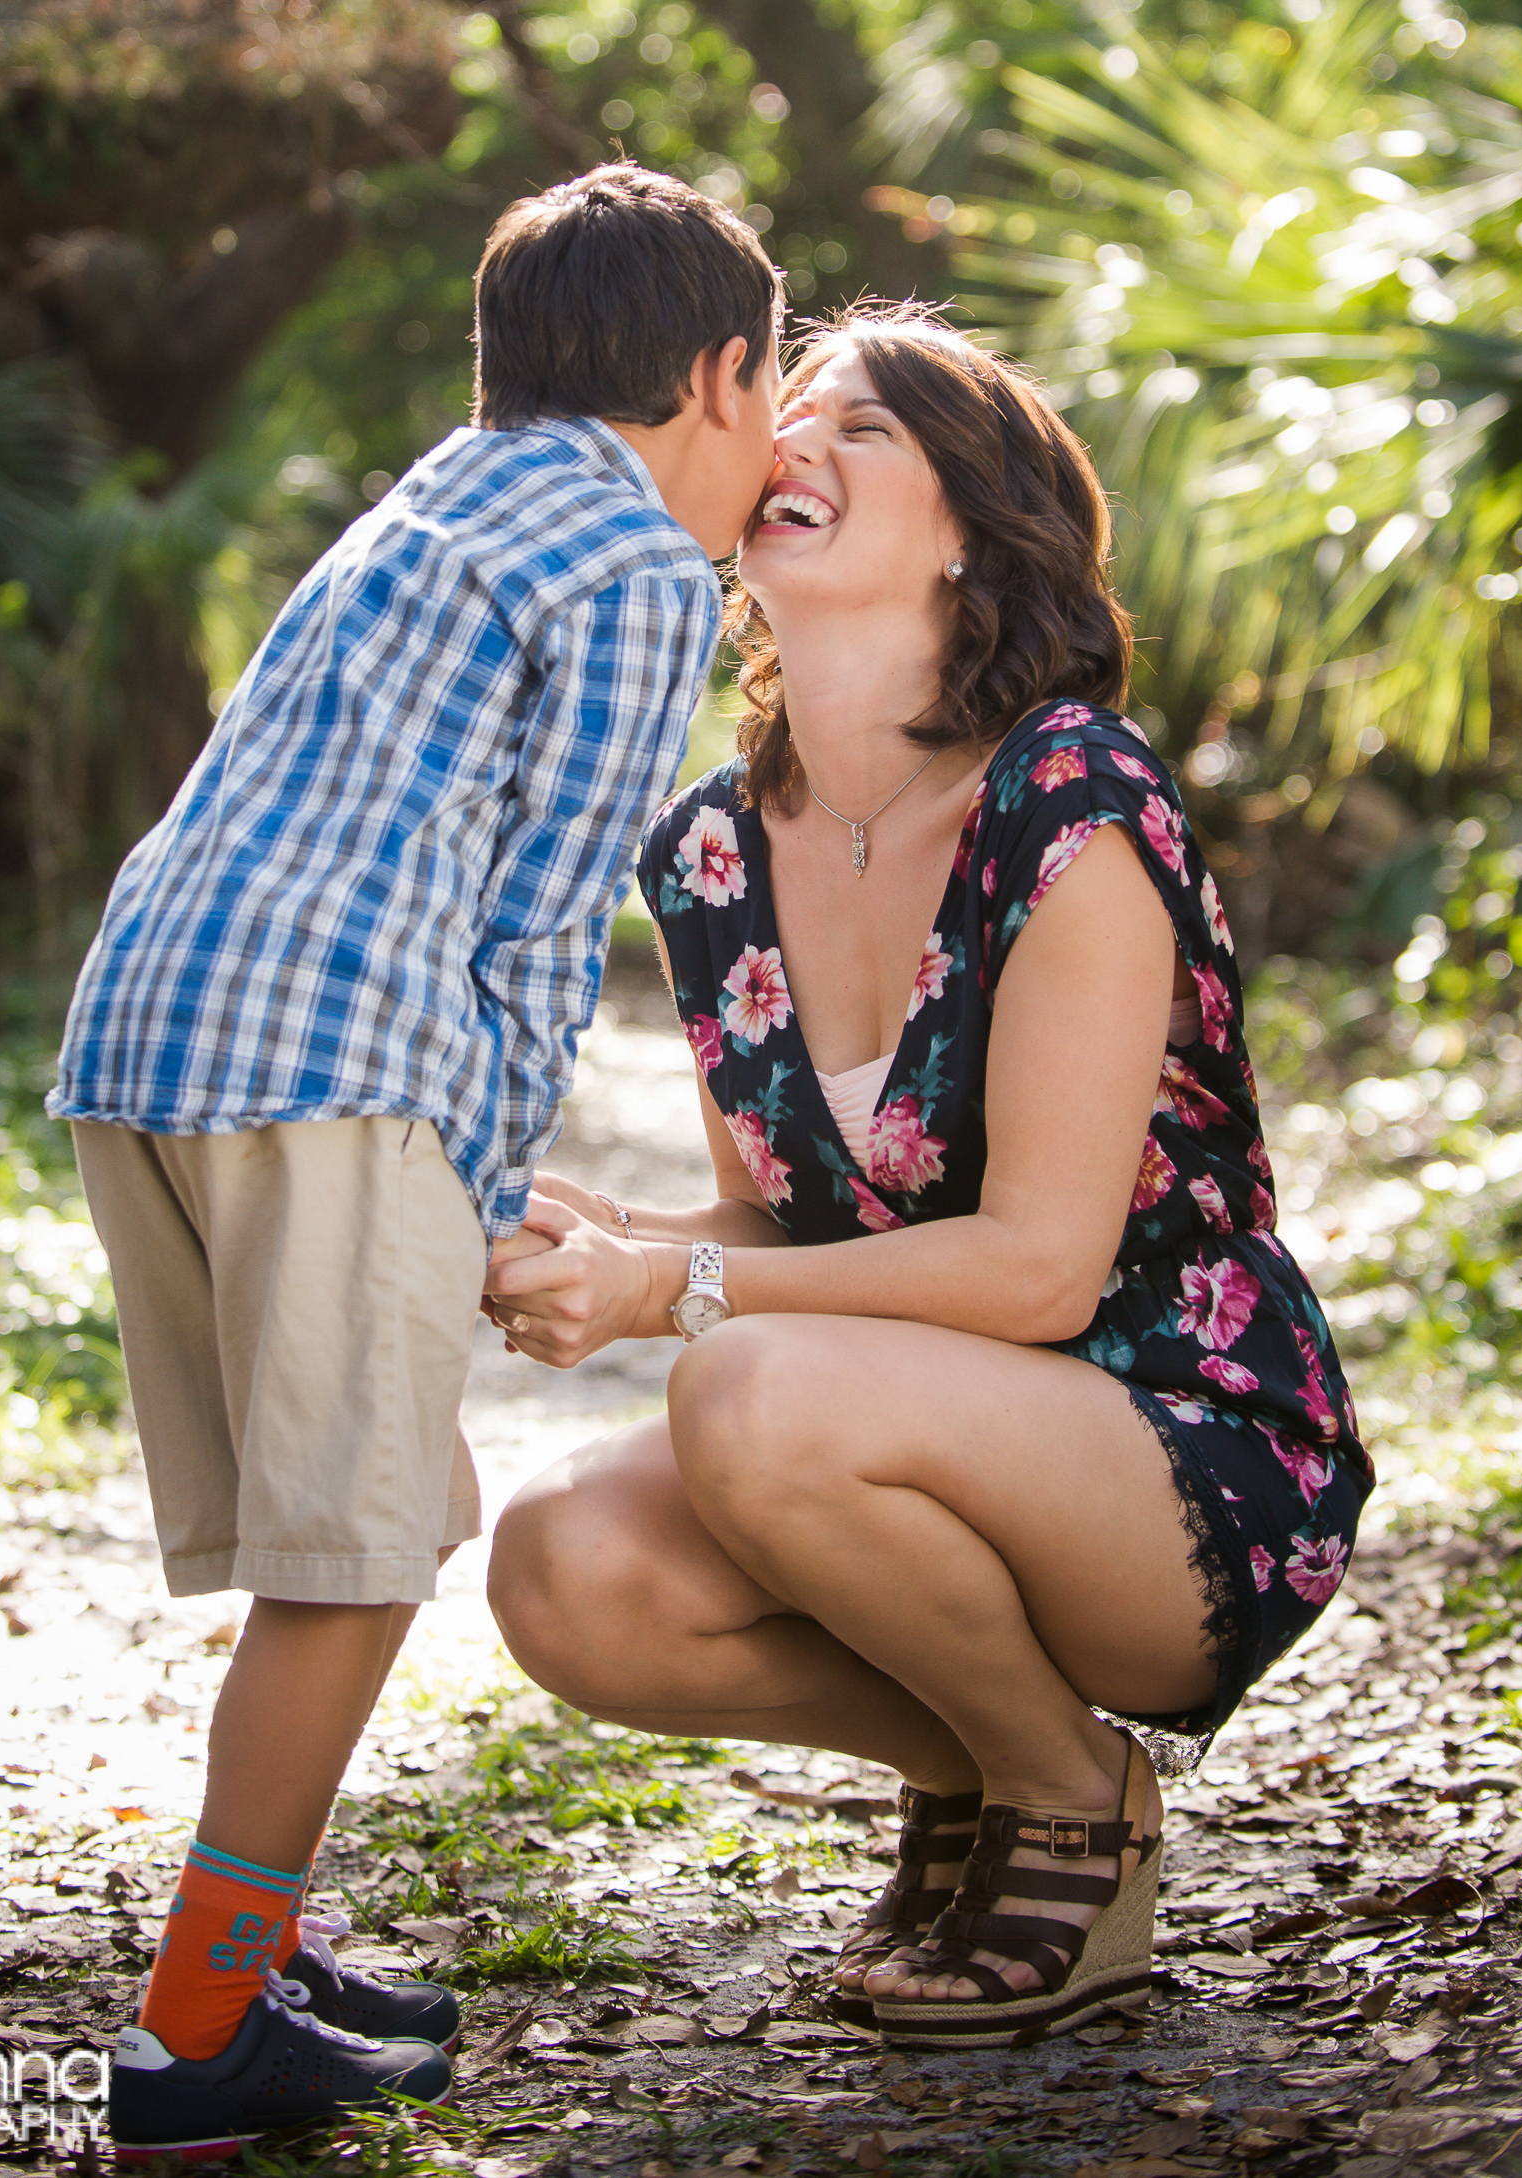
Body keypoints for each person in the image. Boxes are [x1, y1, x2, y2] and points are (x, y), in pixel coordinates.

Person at [480, 309, 1374, 2051]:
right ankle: (982, 1751)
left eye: (861, 425)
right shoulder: (712, 849)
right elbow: (785, 1222)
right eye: (780, 411)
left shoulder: (1070, 794)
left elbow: (1043, 1269)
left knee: (744, 1380)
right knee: (563, 1564)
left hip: (1175, 1442)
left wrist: (681, 1295)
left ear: (969, 524)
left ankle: (1068, 1799)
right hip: (897, 1415)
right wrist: (618, 1235)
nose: (790, 440)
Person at [48, 164, 783, 2163]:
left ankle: (247, 1942)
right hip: (324, 1056)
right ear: (713, 375)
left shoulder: (444, 491)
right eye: (773, 387)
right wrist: (470, 1193)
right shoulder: (635, 567)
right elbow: (539, 920)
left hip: (157, 1032)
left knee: (386, 1511)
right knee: (353, 1563)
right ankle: (195, 2034)